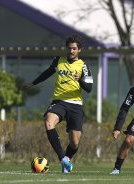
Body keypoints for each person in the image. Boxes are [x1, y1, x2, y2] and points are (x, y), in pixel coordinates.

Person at [22, 34, 93, 173]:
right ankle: (63, 159)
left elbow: (89, 88)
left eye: (74, 49)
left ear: (79, 50)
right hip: (59, 101)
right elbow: (47, 73)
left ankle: (67, 157)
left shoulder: (83, 66)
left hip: (75, 104)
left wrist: (80, 80)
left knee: (75, 143)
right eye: (69, 48)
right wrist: (32, 83)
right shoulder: (58, 60)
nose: (71, 51)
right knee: (48, 122)